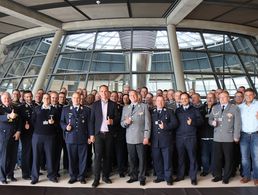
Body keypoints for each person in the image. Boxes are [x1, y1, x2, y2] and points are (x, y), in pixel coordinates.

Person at [60, 92, 94, 184]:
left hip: (83, 138)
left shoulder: (87, 110)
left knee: (83, 159)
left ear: (81, 99)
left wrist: (90, 136)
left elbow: (90, 124)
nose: (76, 99)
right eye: (74, 98)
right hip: (70, 138)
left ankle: (81, 176)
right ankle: (73, 176)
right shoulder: (66, 109)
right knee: (72, 159)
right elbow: (61, 122)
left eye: (78, 98)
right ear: (72, 99)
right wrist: (65, 127)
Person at [209, 91, 241, 184]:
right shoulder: (215, 107)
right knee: (217, 158)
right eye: (220, 97)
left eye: (224, 97)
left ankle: (226, 176)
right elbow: (210, 119)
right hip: (217, 137)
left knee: (228, 158)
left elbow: (237, 123)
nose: (222, 99)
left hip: (229, 137)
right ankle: (218, 176)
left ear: (228, 98)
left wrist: (236, 136)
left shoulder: (234, 108)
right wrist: (212, 123)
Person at [121, 90, 151, 186]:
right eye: (130, 95)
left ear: (137, 96)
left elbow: (148, 123)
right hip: (130, 138)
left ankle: (142, 177)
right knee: (132, 159)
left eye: (134, 95)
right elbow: (122, 123)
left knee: (142, 158)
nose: (132, 96)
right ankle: (133, 176)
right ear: (129, 97)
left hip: (141, 137)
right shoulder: (126, 108)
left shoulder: (144, 106)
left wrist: (146, 137)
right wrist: (126, 123)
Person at [90, 85, 118, 188]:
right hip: (98, 135)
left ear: (108, 93)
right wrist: (91, 134)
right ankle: (96, 179)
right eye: (102, 91)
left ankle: (105, 176)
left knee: (107, 156)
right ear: (99, 93)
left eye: (105, 91)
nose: (104, 93)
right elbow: (91, 121)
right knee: (97, 157)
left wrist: (112, 121)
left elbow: (118, 119)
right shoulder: (95, 105)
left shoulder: (113, 104)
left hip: (109, 135)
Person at [175, 92, 203, 185]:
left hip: (191, 137)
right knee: (180, 158)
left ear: (189, 99)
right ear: (180, 100)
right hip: (179, 137)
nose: (184, 100)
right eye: (182, 99)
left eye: (185, 98)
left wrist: (193, 122)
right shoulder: (177, 110)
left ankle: (193, 177)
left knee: (192, 158)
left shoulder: (195, 109)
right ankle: (180, 175)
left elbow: (201, 122)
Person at [30, 93, 59, 184]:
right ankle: (35, 177)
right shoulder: (36, 109)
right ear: (42, 99)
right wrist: (39, 128)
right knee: (36, 157)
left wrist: (54, 122)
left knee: (50, 157)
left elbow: (58, 124)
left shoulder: (55, 110)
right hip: (37, 136)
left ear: (50, 99)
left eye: (48, 98)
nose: (46, 100)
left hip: (50, 137)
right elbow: (32, 121)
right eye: (45, 98)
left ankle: (51, 175)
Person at [151, 95, 178, 185]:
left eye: (162, 100)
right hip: (155, 141)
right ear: (155, 102)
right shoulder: (152, 112)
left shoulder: (169, 111)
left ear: (164, 102)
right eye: (158, 101)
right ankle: (160, 176)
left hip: (167, 141)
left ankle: (168, 177)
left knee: (167, 160)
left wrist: (165, 126)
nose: (160, 102)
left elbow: (175, 124)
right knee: (157, 160)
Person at [238, 88, 258, 186]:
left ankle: (256, 177)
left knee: (256, 158)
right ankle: (246, 176)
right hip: (244, 135)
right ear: (244, 96)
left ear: (254, 95)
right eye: (246, 95)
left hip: (256, 134)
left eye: (250, 95)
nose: (248, 97)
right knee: (244, 158)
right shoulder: (240, 107)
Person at [0, 92, 20, 184]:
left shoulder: (15, 107)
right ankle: (2, 177)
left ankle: (10, 174)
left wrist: (18, 131)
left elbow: (20, 120)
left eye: (8, 98)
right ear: (1, 99)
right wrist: (8, 116)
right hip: (4, 136)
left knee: (13, 156)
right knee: (4, 157)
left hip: (14, 135)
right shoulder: (0, 108)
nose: (7, 100)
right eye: (5, 99)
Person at [19, 90, 34, 180]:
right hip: (26, 133)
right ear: (24, 98)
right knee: (26, 153)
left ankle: (32, 170)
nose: (29, 98)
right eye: (27, 97)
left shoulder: (35, 106)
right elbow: (19, 121)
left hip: (35, 133)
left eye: (30, 96)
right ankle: (25, 173)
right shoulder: (21, 108)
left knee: (33, 152)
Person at [199, 92, 216, 176]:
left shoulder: (218, 108)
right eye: (208, 97)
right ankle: (205, 170)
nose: (209, 99)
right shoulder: (201, 108)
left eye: (211, 97)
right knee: (204, 156)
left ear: (215, 98)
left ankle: (213, 170)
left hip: (215, 136)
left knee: (214, 156)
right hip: (203, 136)